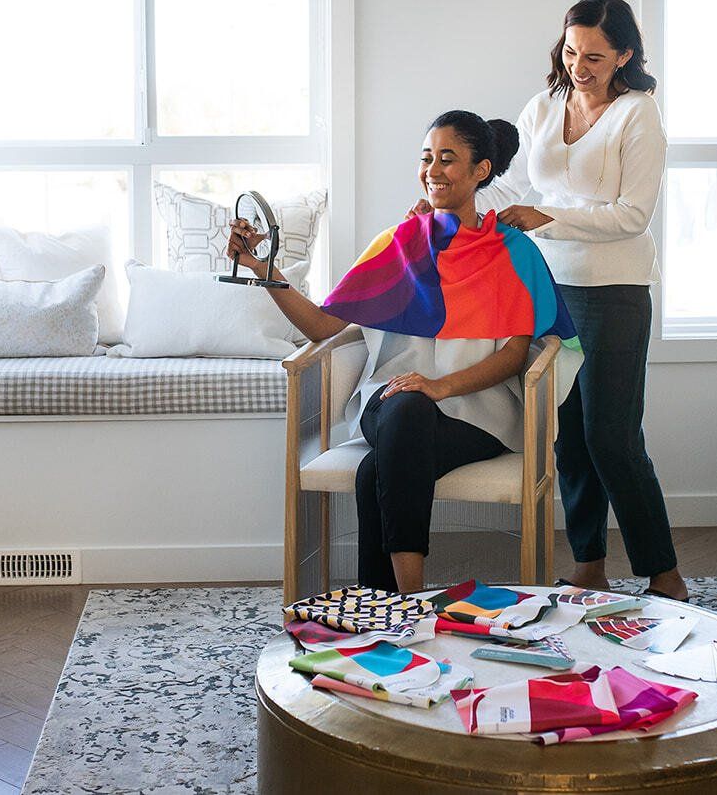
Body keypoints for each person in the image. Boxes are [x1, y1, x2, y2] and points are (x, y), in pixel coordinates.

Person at [228, 111, 576, 594]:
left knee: (376, 469)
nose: (432, 169)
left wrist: (440, 386)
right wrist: (259, 267)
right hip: (391, 402)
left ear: (481, 170)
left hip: (479, 414)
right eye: (426, 157)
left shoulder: (512, 251)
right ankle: (414, 602)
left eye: (448, 159)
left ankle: (383, 605)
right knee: (407, 407)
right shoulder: (400, 243)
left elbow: (516, 356)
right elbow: (321, 325)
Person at [471, 0, 686, 601]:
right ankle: (589, 562)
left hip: (614, 290)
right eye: (570, 51)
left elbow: (632, 215)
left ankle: (664, 572)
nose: (579, 65)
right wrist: (458, 204)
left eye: (594, 55)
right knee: (566, 434)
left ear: (624, 55)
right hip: (549, 287)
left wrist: (547, 218)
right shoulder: (543, 106)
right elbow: (514, 183)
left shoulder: (638, 115)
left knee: (612, 436)